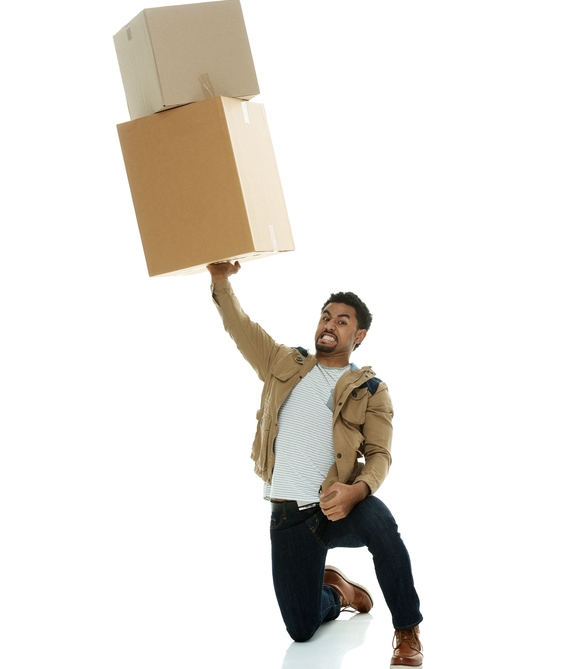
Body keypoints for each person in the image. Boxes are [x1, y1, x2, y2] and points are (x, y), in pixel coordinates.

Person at [207, 261, 423, 668]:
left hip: (338, 507)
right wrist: (220, 280)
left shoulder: (371, 389)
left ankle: (407, 629)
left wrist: (357, 491)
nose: (330, 324)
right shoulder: (283, 363)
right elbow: (238, 325)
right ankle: (337, 592)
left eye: (342, 321)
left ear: (358, 336)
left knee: (381, 523)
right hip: (288, 518)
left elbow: (380, 455)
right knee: (301, 630)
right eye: (326, 316)